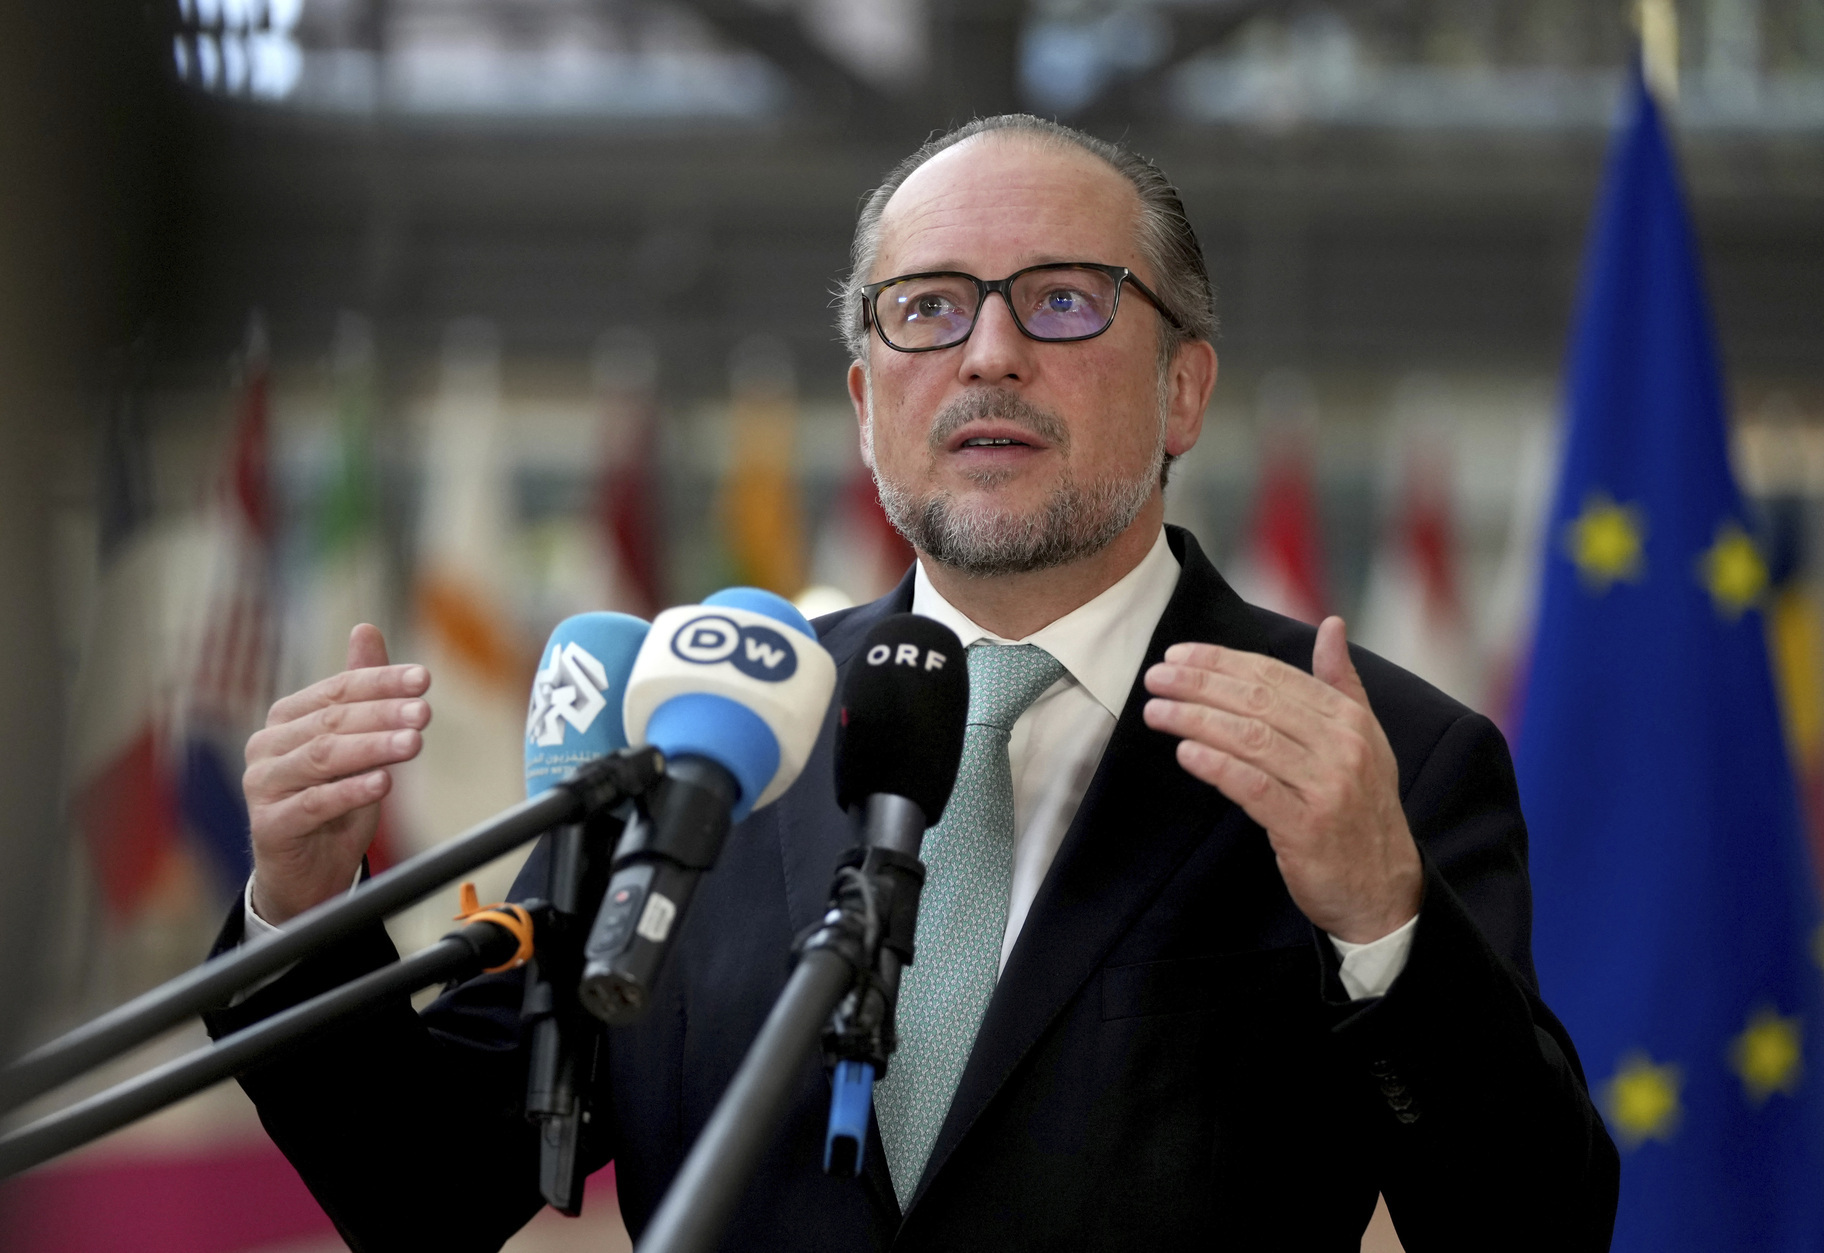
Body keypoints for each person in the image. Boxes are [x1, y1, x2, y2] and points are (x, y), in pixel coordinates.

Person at [211, 115, 1618, 1251]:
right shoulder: (704, 727)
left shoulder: (1377, 754)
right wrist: (299, 904)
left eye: (1062, 301)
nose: (989, 354)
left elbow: (1532, 1229)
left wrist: (1382, 916)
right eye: (928, 309)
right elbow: (427, 1189)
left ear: (1185, 390)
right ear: (866, 402)